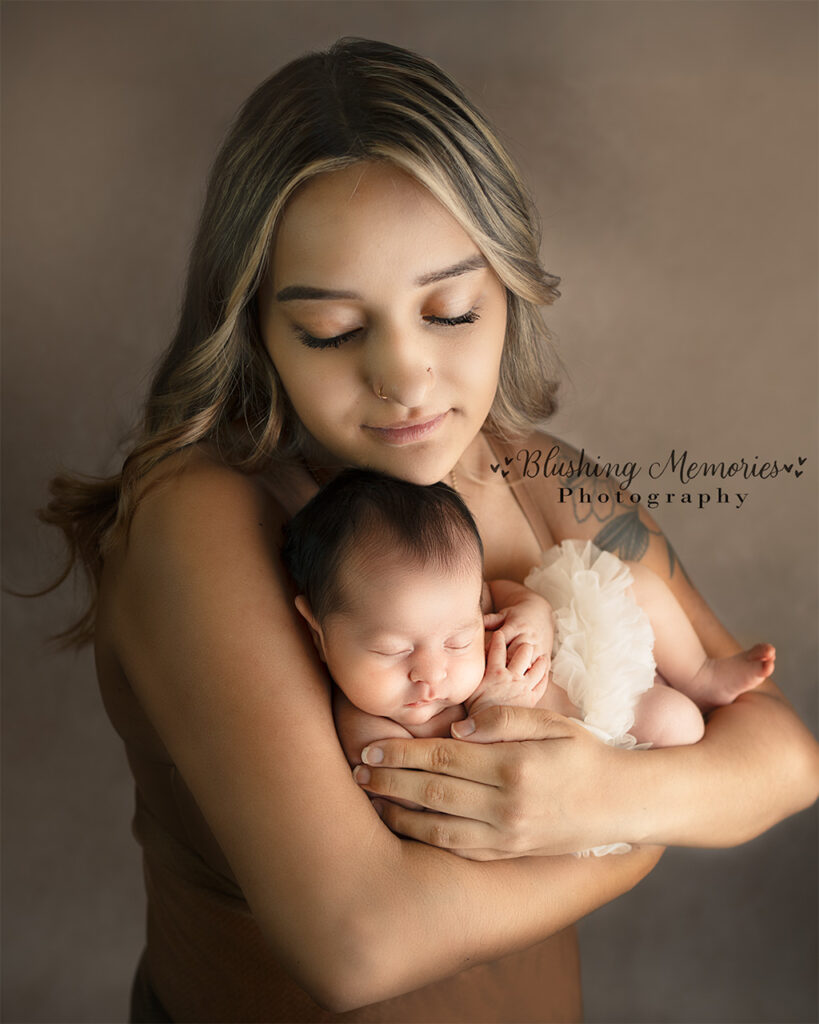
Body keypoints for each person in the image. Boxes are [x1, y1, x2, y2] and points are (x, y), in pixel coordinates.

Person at [40, 37, 818, 1023]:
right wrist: (643, 825)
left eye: (449, 310)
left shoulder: (543, 479)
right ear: (254, 328)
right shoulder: (205, 519)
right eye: (330, 330)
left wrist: (595, 802)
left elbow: (784, 756)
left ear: (505, 288)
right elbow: (361, 943)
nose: (404, 378)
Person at [281, 466, 775, 760]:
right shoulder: (371, 729)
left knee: (630, 582)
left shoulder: (475, 598)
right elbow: (445, 796)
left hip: (580, 655)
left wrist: (531, 614)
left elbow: (509, 594)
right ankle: (686, 698)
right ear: (318, 634)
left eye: (457, 639)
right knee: (679, 725)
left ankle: (699, 670)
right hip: (595, 728)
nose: (432, 672)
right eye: (394, 649)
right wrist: (487, 713)